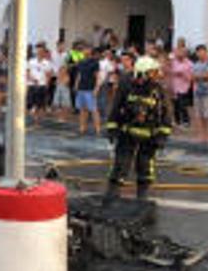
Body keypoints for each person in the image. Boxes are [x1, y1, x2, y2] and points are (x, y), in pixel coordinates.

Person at [104, 56, 173, 202]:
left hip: (150, 135)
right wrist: (112, 128)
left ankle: (142, 196)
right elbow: (116, 107)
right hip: (127, 132)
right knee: (121, 162)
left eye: (155, 73)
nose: (155, 76)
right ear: (141, 74)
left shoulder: (158, 90)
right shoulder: (126, 86)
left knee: (145, 165)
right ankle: (112, 194)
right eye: (152, 73)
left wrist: (162, 136)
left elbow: (166, 115)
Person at [192, 45, 208, 144]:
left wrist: (198, 76)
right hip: (198, 92)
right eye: (198, 52)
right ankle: (203, 136)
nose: (200, 54)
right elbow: (192, 77)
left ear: (206, 52)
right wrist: (201, 76)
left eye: (202, 51)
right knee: (199, 115)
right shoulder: (196, 64)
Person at [74, 48, 102, 136]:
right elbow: (79, 75)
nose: (84, 51)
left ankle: (98, 130)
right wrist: (76, 85)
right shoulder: (81, 62)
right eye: (84, 50)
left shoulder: (95, 62)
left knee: (94, 110)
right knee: (82, 109)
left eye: (87, 49)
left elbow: (98, 76)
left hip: (90, 89)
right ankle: (82, 128)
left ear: (90, 52)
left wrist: (96, 89)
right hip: (81, 88)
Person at [171, 47, 194, 128]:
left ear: (185, 54)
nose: (179, 54)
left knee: (182, 105)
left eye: (181, 53)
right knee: (175, 105)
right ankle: (177, 121)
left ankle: (186, 121)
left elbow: (191, 77)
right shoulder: (173, 62)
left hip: (183, 87)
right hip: (174, 87)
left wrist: (183, 74)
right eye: (178, 52)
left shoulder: (189, 64)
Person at [27, 45, 52, 119]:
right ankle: (33, 115)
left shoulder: (47, 63)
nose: (39, 53)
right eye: (38, 51)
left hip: (42, 84)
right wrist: (32, 79)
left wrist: (47, 84)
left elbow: (48, 75)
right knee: (31, 101)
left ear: (44, 53)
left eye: (41, 51)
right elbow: (27, 72)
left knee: (40, 102)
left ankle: (38, 118)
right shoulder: (31, 61)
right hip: (32, 84)